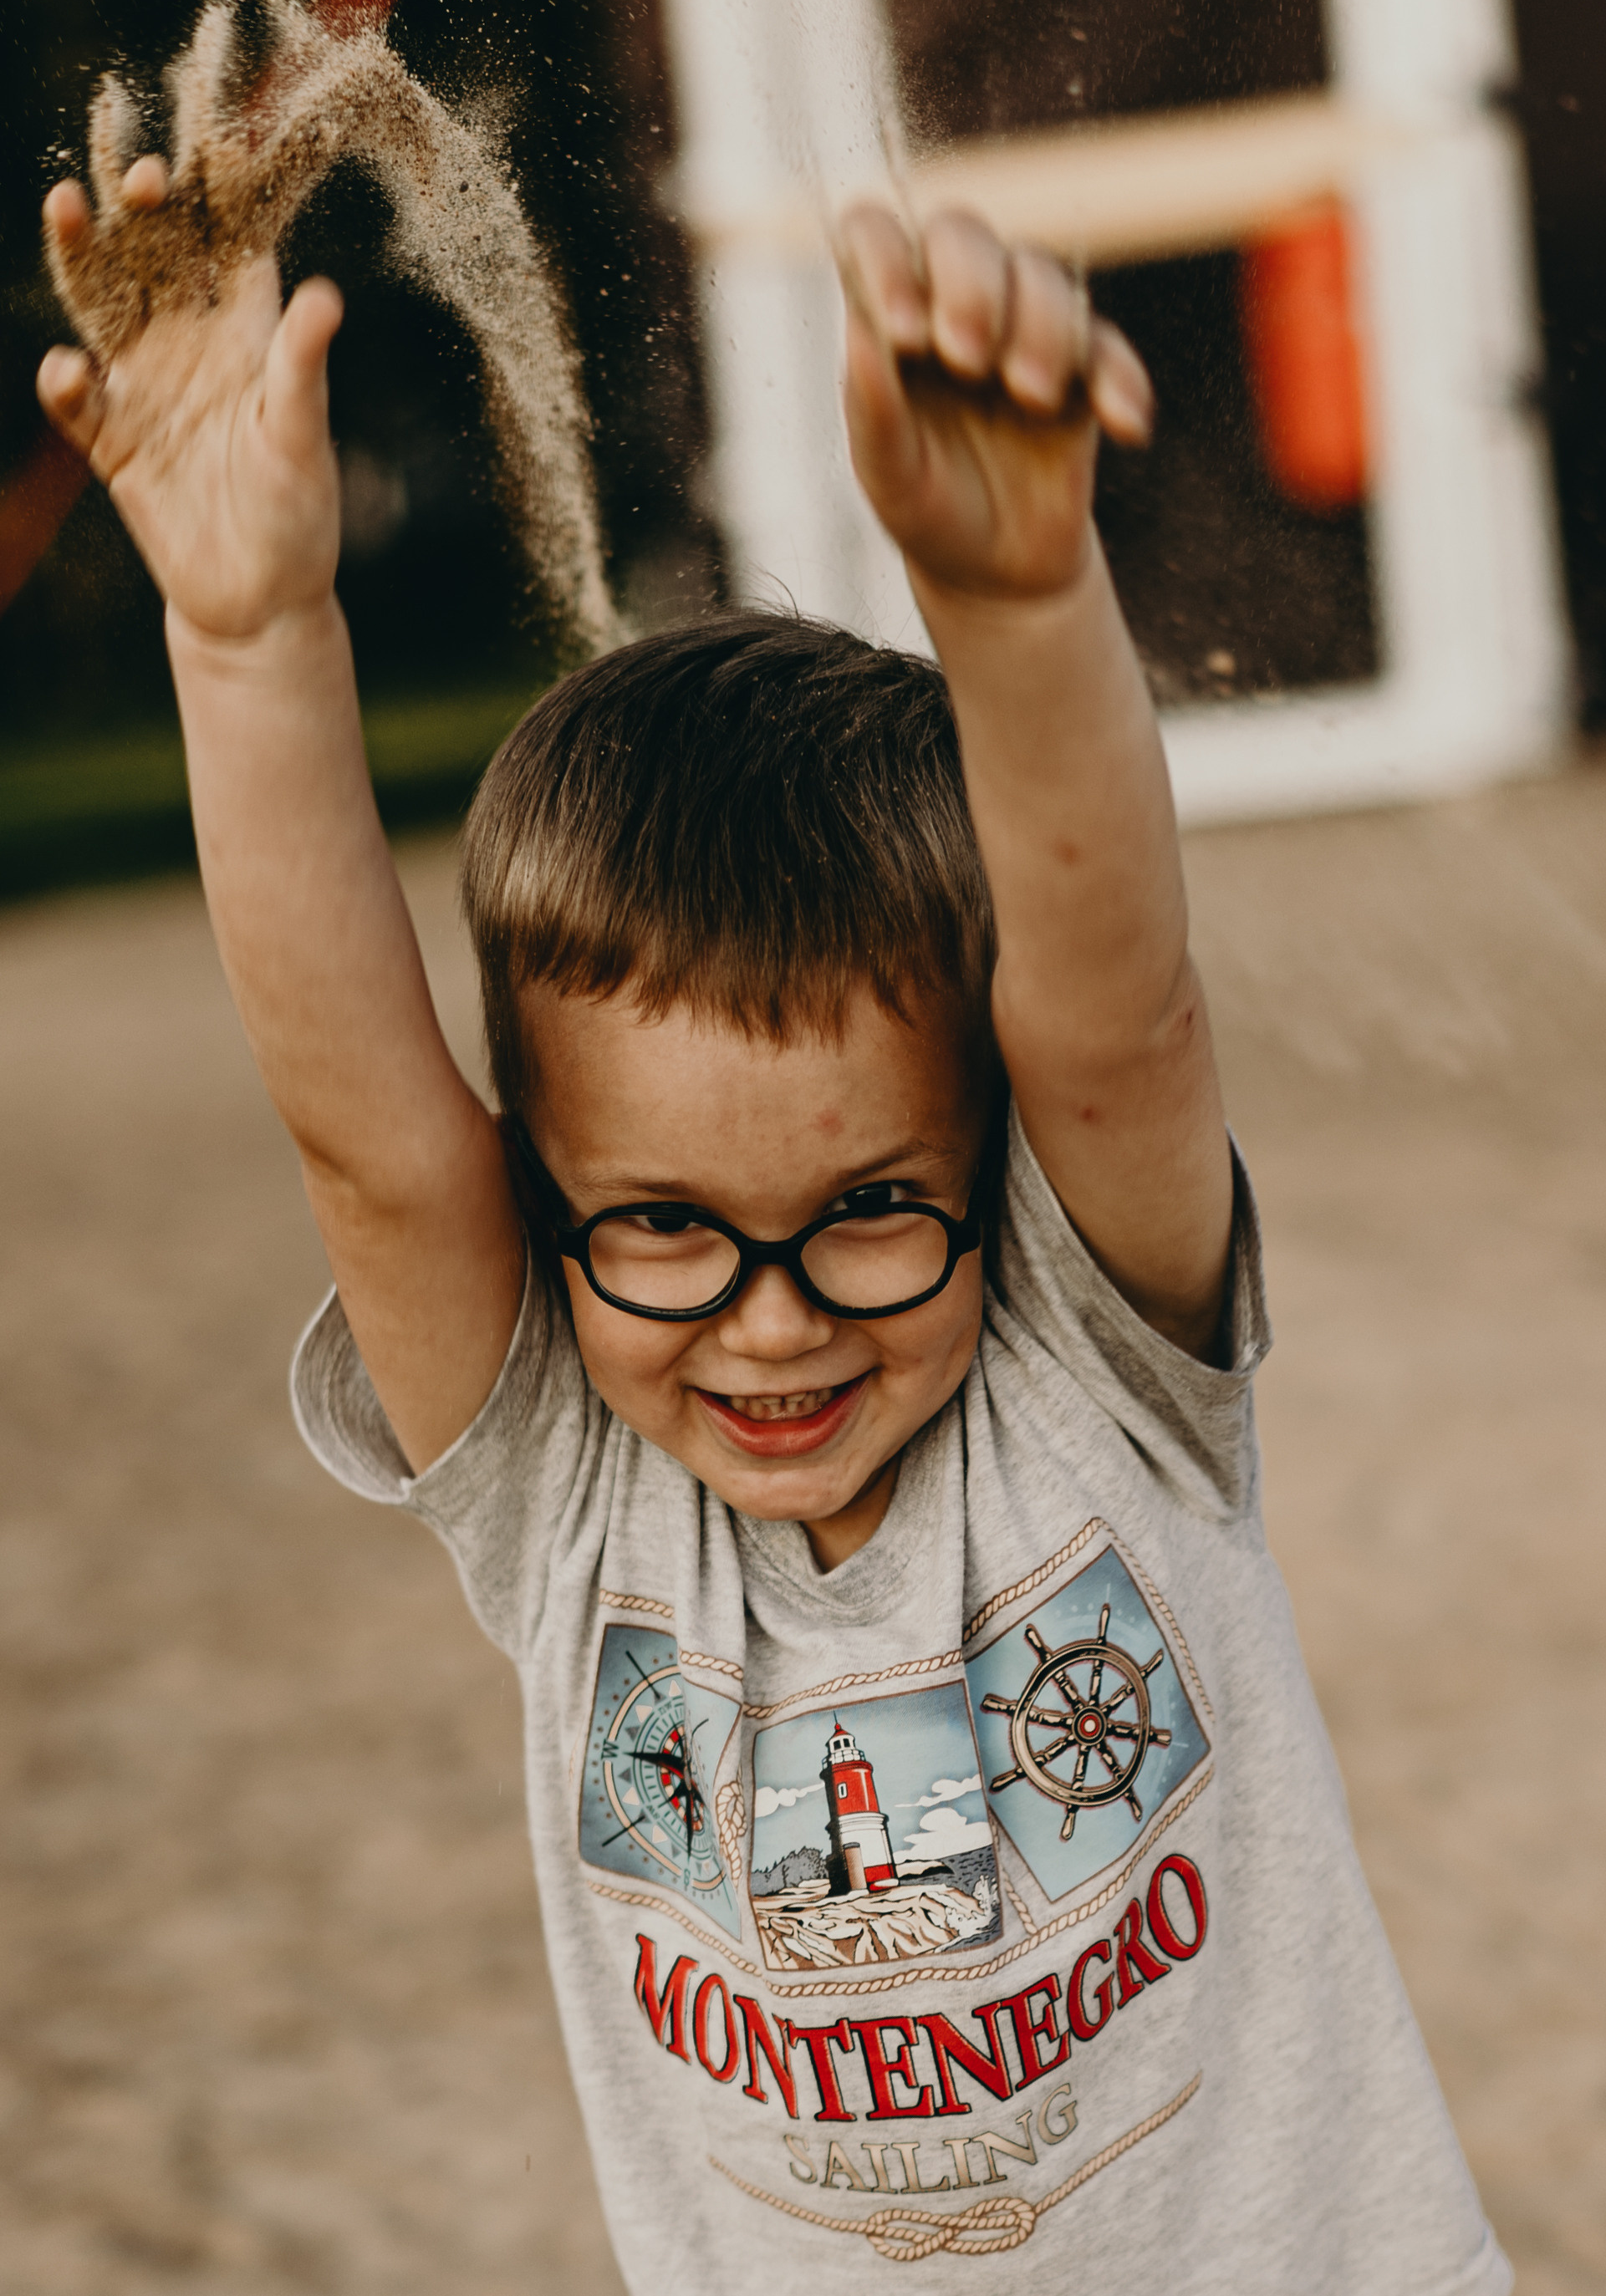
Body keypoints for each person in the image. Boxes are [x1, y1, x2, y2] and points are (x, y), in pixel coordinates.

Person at [38, 143, 1506, 2292]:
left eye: (872, 1207)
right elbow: (373, 1139)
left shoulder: (1101, 1380)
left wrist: (1013, 604)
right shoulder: (561, 1487)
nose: (772, 1322)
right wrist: (246, 632)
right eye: (660, 1227)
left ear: (995, 1160)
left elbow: (1119, 1014)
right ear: (544, 1205)